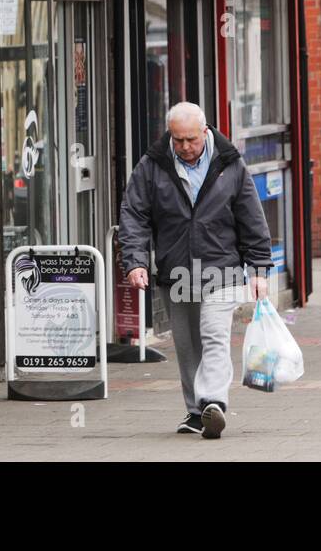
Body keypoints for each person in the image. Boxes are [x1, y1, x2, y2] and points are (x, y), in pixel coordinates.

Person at [116, 102, 273, 440]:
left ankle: (214, 402)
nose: (185, 147)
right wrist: (136, 261)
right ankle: (195, 411)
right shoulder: (152, 166)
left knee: (215, 336)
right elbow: (134, 214)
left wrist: (259, 267)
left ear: (205, 132)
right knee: (188, 346)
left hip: (222, 268)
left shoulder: (230, 164)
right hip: (177, 270)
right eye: (178, 140)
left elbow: (251, 216)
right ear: (169, 136)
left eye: (191, 139)